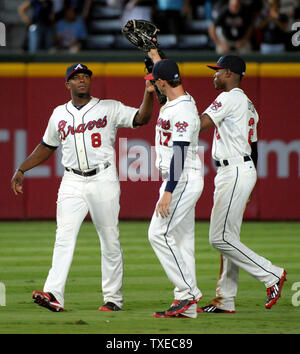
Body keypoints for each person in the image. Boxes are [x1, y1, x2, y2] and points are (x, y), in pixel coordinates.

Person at [11, 63, 154, 312]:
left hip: (103, 177)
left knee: (109, 239)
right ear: (67, 83)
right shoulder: (59, 114)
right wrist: (22, 168)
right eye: (76, 77)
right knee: (63, 238)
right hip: (72, 182)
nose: (82, 80)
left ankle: (113, 299)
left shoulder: (108, 107)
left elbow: (141, 118)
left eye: (85, 76)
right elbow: (47, 145)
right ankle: (54, 294)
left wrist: (149, 92)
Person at [197, 54, 287, 313]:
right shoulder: (248, 103)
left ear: (229, 73)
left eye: (217, 71)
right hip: (242, 168)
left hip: (234, 169)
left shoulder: (229, 97)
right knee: (229, 237)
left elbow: (200, 125)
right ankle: (225, 299)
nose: (214, 75)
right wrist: (251, 181)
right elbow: (255, 147)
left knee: (219, 238)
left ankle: (272, 275)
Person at [145, 49, 204, 319]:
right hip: (181, 176)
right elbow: (167, 76)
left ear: (162, 83)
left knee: (157, 234)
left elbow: (179, 151)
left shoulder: (182, 110)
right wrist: (156, 57)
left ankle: (187, 292)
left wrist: (168, 192)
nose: (152, 83)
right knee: (181, 242)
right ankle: (187, 306)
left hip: (181, 178)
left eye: (155, 80)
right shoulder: (181, 96)